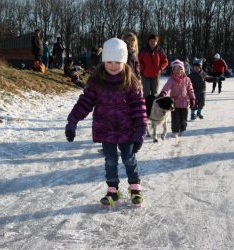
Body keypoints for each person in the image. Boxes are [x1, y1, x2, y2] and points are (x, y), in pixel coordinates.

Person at [65, 38, 147, 207]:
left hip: (127, 130)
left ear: (124, 61)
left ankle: (135, 186)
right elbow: (84, 103)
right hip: (106, 129)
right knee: (110, 160)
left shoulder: (131, 82)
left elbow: (139, 108)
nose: (113, 65)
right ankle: (112, 189)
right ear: (103, 61)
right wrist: (72, 121)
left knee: (128, 158)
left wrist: (140, 132)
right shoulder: (96, 82)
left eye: (118, 61)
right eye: (109, 61)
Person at [159, 59, 195, 138]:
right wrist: (163, 93)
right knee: (175, 119)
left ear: (183, 70)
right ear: (173, 71)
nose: (177, 71)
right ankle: (175, 131)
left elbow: (190, 89)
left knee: (183, 120)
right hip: (174, 104)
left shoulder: (187, 79)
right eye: (175, 69)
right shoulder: (171, 79)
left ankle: (182, 129)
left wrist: (192, 98)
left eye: (179, 69)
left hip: (185, 104)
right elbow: (167, 87)